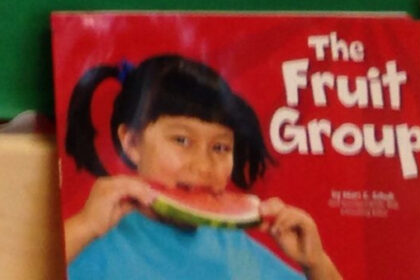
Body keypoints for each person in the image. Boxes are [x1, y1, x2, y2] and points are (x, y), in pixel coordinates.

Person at [62, 54, 343, 280]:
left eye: (220, 147)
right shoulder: (91, 240)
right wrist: (84, 227)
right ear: (132, 142)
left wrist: (317, 264)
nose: (203, 166)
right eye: (182, 140)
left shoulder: (235, 248)